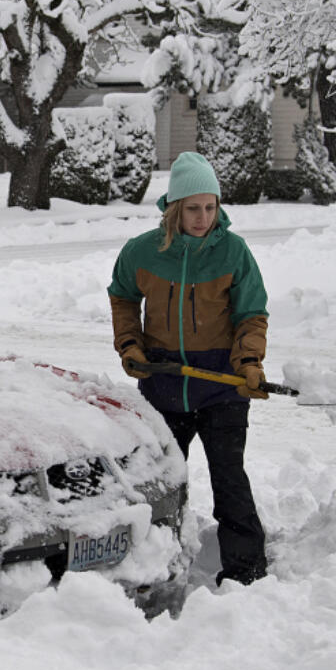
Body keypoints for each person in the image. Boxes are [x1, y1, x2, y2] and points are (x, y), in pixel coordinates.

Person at [107, 151, 270, 587]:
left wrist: (249, 362)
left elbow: (251, 314)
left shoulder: (233, 252)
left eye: (211, 207)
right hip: (162, 384)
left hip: (222, 387)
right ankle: (154, 568)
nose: (203, 218)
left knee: (229, 480)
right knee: (158, 486)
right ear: (175, 208)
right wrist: (130, 344)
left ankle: (247, 573)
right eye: (194, 208)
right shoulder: (142, 252)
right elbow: (122, 297)